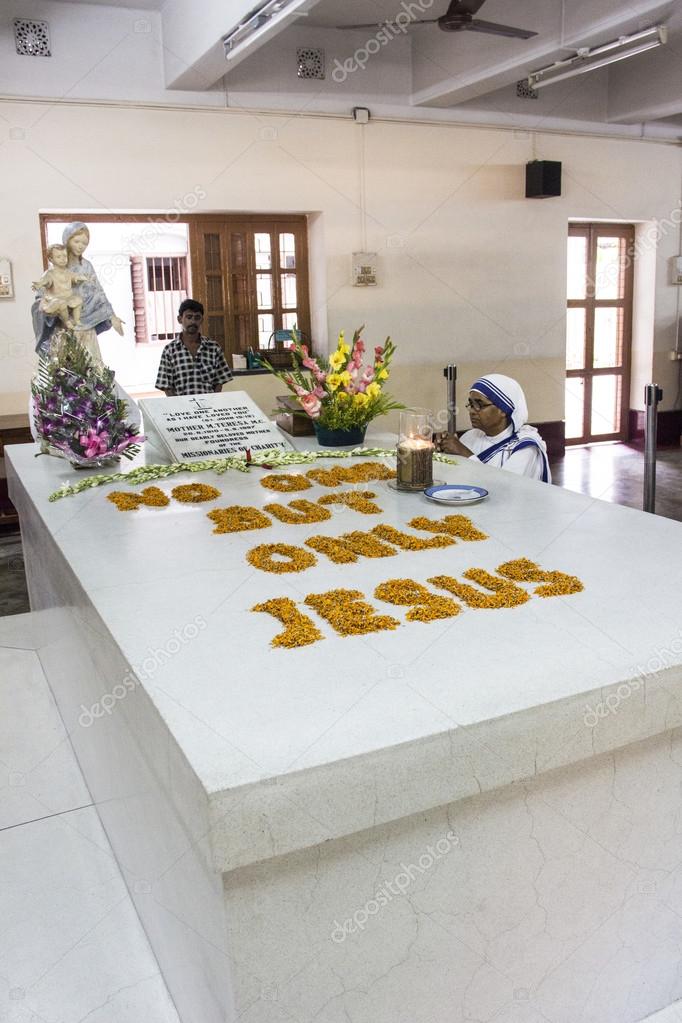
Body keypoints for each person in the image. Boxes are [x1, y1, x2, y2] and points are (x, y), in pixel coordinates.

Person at [32, 221, 125, 364]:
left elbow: (98, 292)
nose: (81, 246)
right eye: (76, 241)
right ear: (67, 240)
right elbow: (41, 297)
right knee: (64, 370)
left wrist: (112, 316)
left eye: (85, 243)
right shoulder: (54, 269)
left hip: (85, 327)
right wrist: (51, 307)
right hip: (62, 328)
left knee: (92, 368)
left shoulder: (86, 266)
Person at [436, 373, 551, 483]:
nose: (472, 411)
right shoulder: (471, 436)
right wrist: (443, 453)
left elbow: (506, 488)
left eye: (479, 405)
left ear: (503, 410)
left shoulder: (526, 447)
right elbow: (454, 474)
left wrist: (464, 453)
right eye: (471, 404)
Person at [155, 299, 233, 396]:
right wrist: (177, 404)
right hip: (181, 404)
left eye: (197, 317)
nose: (193, 321)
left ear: (202, 320)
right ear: (180, 319)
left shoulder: (213, 348)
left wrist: (213, 401)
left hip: (209, 404)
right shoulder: (170, 350)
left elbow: (219, 382)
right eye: (189, 317)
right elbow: (166, 386)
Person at [32, 244, 90, 329]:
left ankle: (77, 320)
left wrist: (80, 278)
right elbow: (46, 280)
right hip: (54, 299)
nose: (63, 259)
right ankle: (66, 321)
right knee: (61, 303)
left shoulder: (67, 272)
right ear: (51, 259)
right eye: (58, 257)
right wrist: (40, 284)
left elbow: (74, 277)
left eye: (64, 256)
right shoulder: (50, 273)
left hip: (67, 297)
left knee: (78, 300)